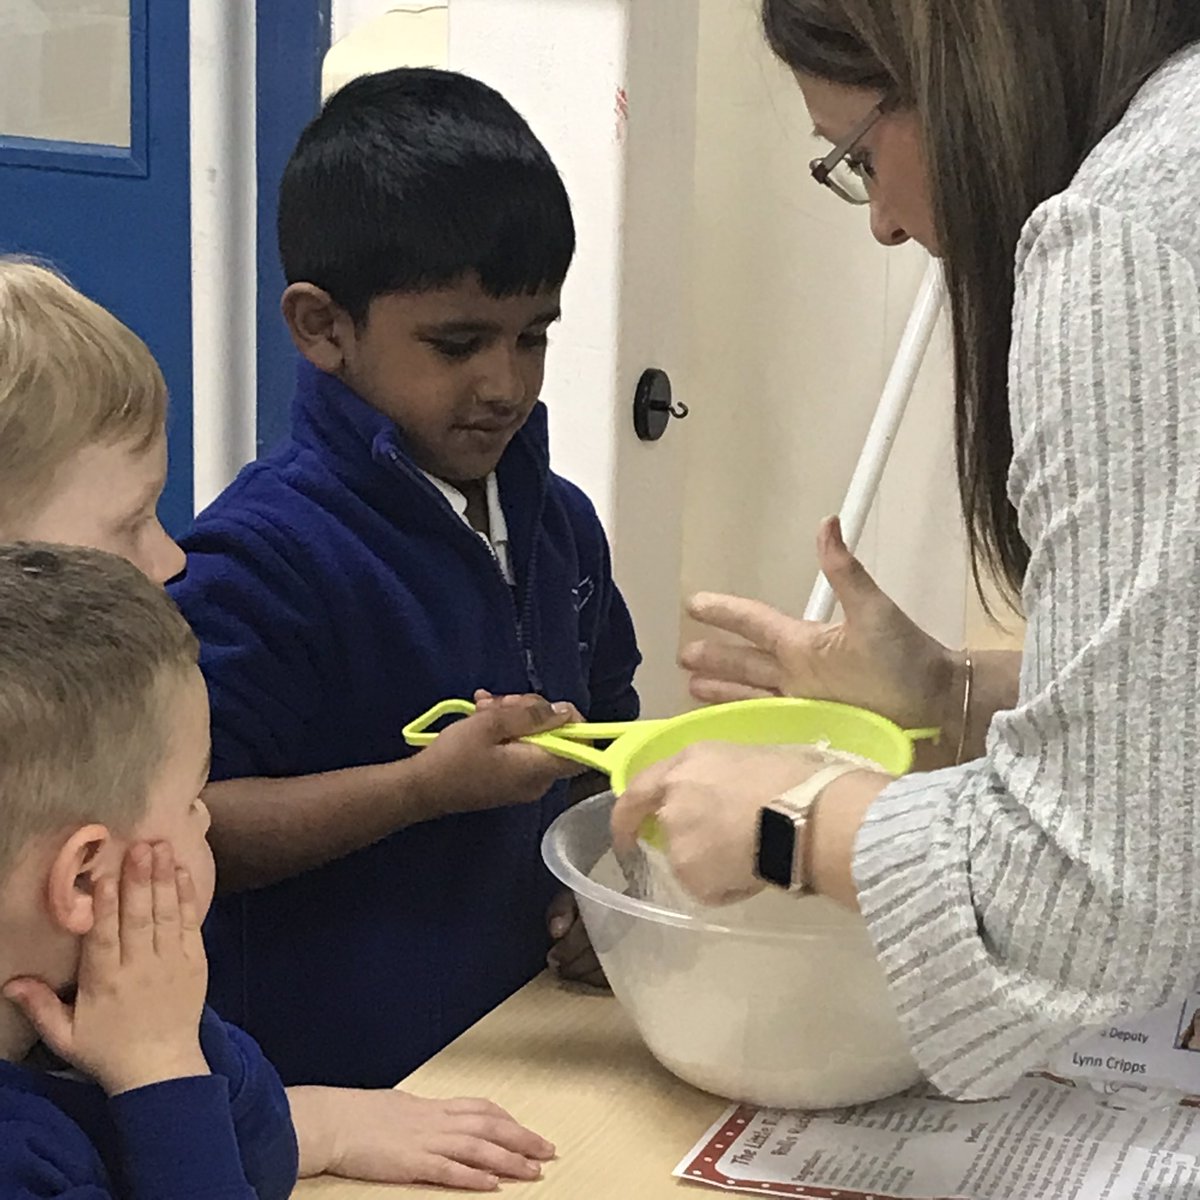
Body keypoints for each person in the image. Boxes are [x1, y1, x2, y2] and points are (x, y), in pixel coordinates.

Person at [614, 0, 1200, 1102]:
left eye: (856, 155)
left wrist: (790, 823)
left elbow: (1098, 895)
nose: (880, 221)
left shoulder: (1129, 232)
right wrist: (952, 692)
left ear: (958, 63)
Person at [0, 257, 558, 1192]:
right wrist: (160, 1072)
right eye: (130, 521)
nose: (173, 555)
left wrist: (295, 1110)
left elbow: (237, 1129)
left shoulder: (92, 957)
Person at [169, 68, 641, 1090]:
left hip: (523, 1061)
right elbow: (184, 825)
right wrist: (421, 791)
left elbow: (610, 731)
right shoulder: (259, 556)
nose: (506, 383)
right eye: (457, 342)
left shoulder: (561, 527)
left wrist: (607, 894)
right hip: (327, 1108)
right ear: (322, 326)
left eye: (533, 336)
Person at [0, 544, 298, 1199]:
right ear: (85, 879)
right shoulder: (18, 1163)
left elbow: (267, 1164)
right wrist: (161, 1073)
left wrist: (170, 1041)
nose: (207, 821)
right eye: (193, 798)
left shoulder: (97, 1029)